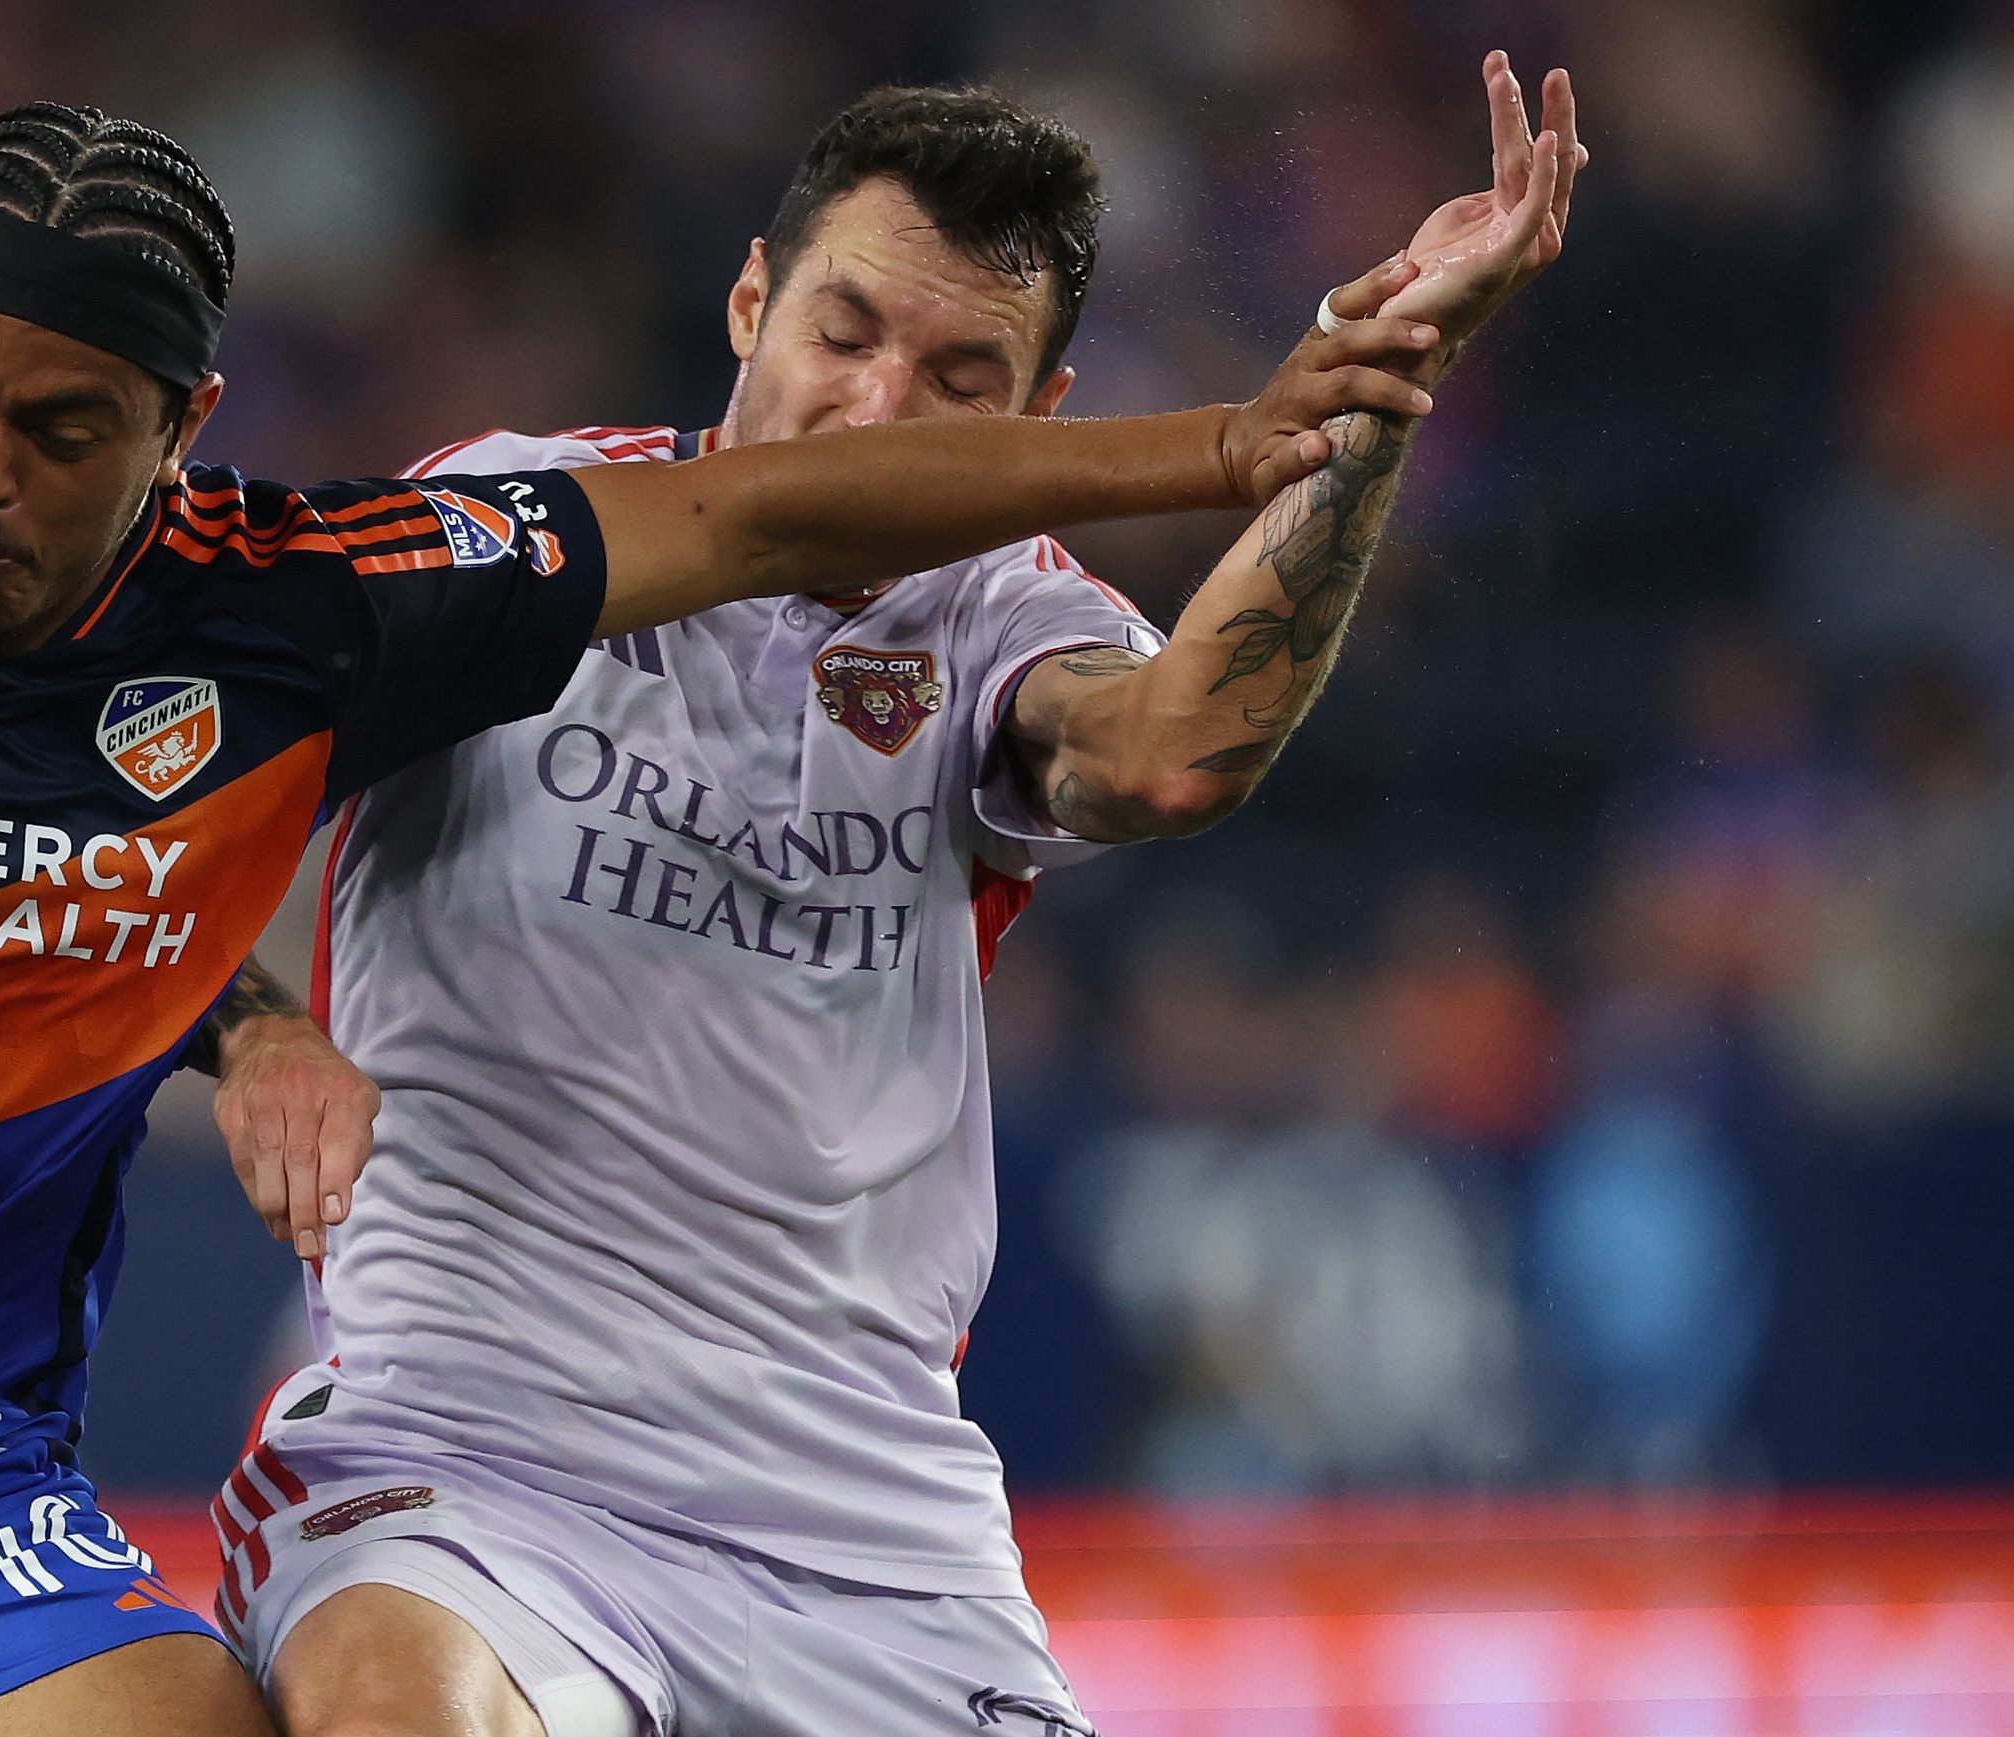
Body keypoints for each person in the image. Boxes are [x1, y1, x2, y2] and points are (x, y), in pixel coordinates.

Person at [0, 97, 1427, 1737]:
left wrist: (1259, 448)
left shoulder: (308, 606)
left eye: (55, 429)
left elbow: (807, 542)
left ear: (181, 433)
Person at [206, 55, 1583, 1737]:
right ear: (745, 302)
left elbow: (1166, 757)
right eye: (842, 334)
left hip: (863, 1521)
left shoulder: (1002, 616)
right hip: (469, 1467)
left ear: (1042, 415)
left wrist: (1365, 414)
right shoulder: (516, 522)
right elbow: (132, 790)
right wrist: (259, 1030)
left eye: (955, 376)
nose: (872, 407)